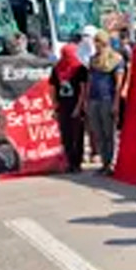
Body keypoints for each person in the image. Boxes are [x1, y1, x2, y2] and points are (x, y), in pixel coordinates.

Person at [87, 31, 125, 175]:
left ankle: (111, 164)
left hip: (107, 99)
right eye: (94, 41)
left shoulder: (116, 59)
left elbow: (118, 84)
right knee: (98, 133)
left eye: (98, 41)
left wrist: (116, 103)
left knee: (109, 133)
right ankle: (104, 163)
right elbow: (90, 81)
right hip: (94, 100)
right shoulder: (93, 60)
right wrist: (86, 100)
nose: (95, 44)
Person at [49, 44, 89, 174]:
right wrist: (54, 104)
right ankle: (69, 162)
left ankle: (77, 162)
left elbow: (83, 90)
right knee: (66, 136)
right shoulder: (57, 69)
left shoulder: (80, 69)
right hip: (63, 106)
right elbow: (53, 87)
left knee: (77, 136)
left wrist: (79, 107)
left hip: (76, 105)